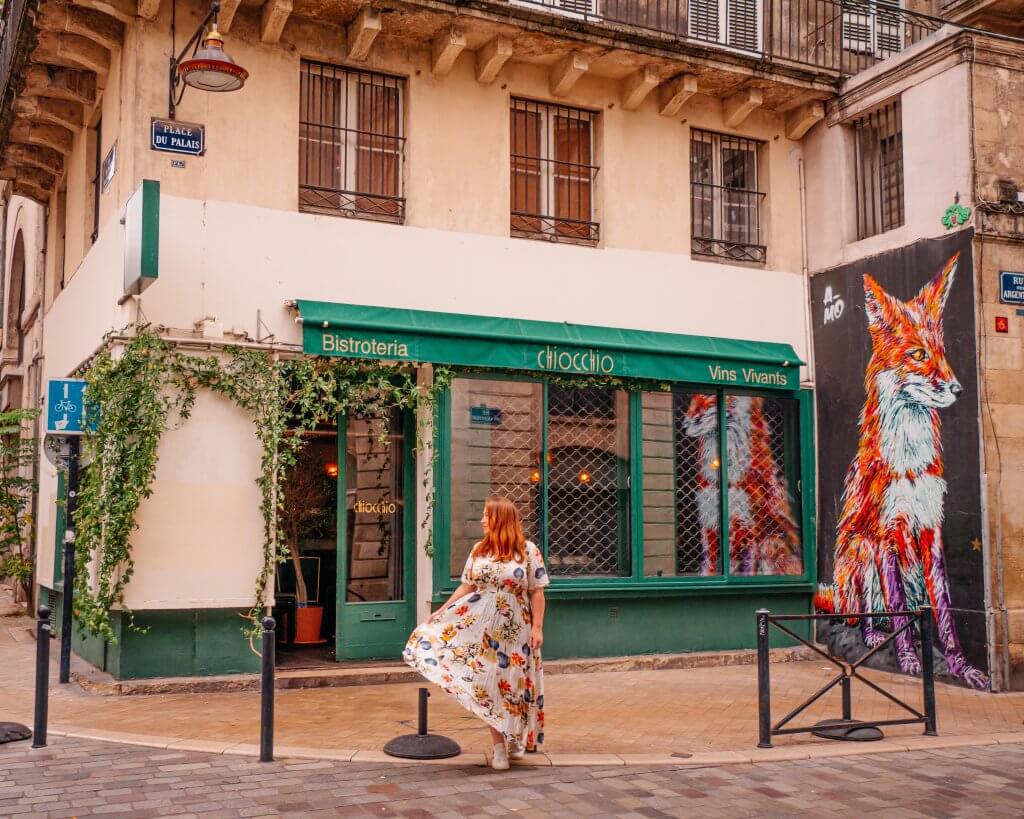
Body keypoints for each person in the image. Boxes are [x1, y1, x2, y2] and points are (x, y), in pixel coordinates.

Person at [403, 496, 549, 770]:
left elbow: (537, 591)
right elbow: (467, 586)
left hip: (517, 627)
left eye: (486, 515)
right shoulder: (479, 550)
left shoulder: (527, 551)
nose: (482, 520)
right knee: (487, 684)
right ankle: (498, 748)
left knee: (515, 682)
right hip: (482, 627)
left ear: (501, 519)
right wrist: (441, 611)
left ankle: (514, 738)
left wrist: (538, 628)